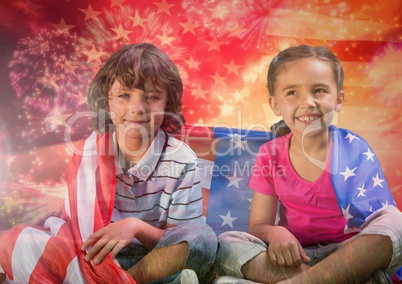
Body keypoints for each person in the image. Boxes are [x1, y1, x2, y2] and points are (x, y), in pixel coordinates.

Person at [0, 43, 217, 284]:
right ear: (107, 102)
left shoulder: (181, 159)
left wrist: (135, 227)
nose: (137, 108)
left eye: (152, 97)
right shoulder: (88, 154)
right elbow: (76, 231)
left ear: (168, 105)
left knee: (203, 239)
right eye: (124, 95)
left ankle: (130, 280)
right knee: (19, 240)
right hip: (95, 259)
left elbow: (180, 237)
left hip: (152, 259)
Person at [213, 45, 402, 284]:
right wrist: (276, 232)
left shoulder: (354, 148)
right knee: (228, 242)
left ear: (339, 99)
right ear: (275, 104)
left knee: (397, 223)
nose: (308, 102)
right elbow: (259, 225)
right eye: (292, 93)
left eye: (319, 90)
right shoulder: (269, 154)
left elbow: (376, 222)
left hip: (350, 254)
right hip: (296, 258)